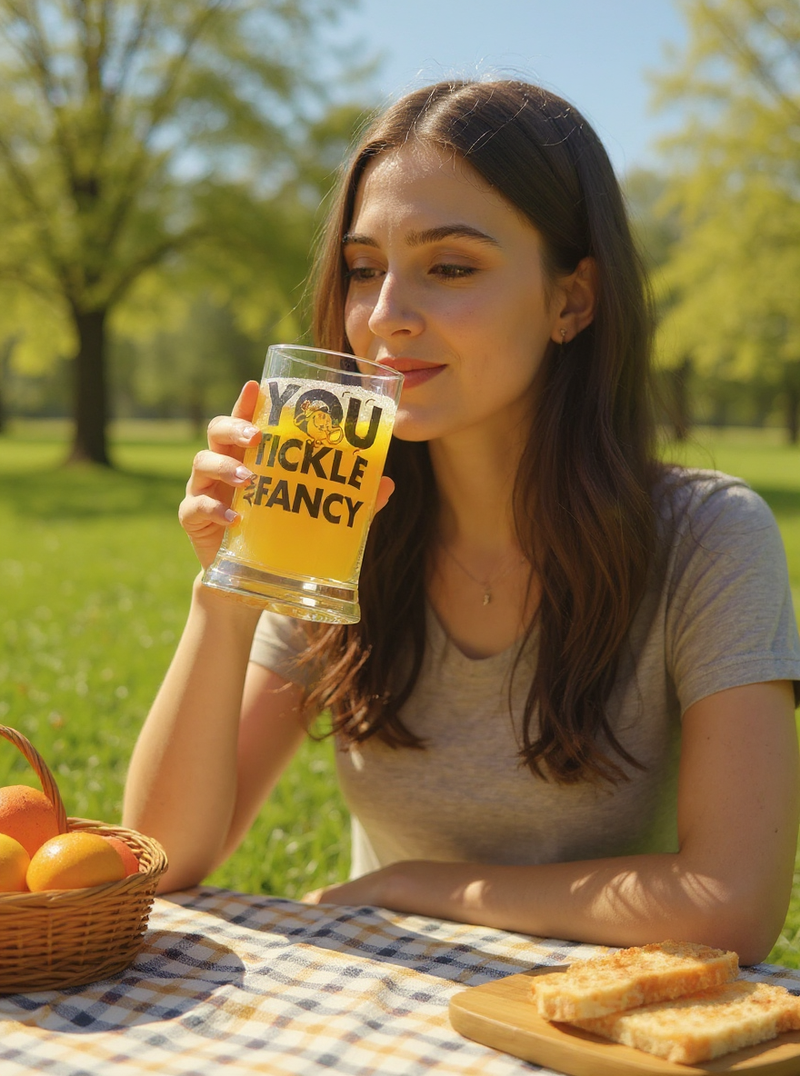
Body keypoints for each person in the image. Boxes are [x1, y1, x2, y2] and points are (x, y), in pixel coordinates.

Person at [123, 79, 800, 966]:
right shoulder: (331, 521)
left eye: (451, 267)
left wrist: (414, 886)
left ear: (572, 301)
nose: (384, 316)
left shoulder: (709, 537)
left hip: (589, 1025)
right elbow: (165, 857)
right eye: (364, 269)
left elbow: (731, 903)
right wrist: (229, 582)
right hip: (387, 1017)